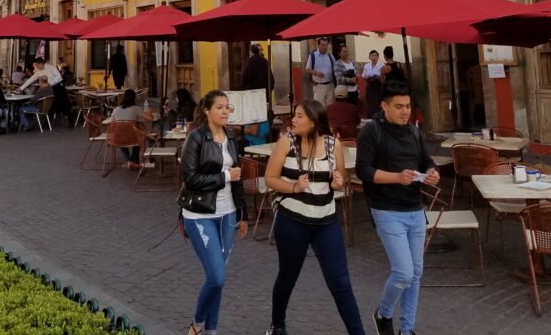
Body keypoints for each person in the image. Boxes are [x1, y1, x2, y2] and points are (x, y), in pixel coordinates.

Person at [262, 100, 364, 335]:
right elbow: (270, 178)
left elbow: (340, 178)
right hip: (292, 221)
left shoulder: (333, 144)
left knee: (341, 283)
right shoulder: (286, 142)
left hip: (326, 222)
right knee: (288, 276)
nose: (293, 120)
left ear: (314, 121)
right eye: (294, 116)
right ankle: (277, 325)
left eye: (299, 116)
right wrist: (294, 188)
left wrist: (339, 182)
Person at [355, 81, 440, 335]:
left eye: (408, 106)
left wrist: (433, 173)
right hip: (387, 209)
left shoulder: (414, 132)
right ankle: (383, 313)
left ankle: (407, 329)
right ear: (384, 106)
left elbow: (427, 161)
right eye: (399, 107)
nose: (405, 112)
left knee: (415, 273)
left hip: (415, 209)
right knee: (403, 272)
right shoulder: (372, 132)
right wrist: (396, 177)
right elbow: (363, 171)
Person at [178, 89, 248, 335]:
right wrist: (225, 176)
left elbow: (238, 178)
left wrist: (243, 214)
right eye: (219, 107)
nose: (225, 111)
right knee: (216, 277)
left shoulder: (231, 137)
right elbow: (190, 177)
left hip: (227, 215)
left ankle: (212, 330)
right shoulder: (196, 138)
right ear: (207, 111)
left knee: (218, 280)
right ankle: (197, 323)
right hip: (199, 214)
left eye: (227, 107)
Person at [109, 88, 155, 167]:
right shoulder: (135, 108)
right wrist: (150, 112)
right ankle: (132, 160)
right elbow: (150, 119)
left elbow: (112, 122)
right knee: (139, 138)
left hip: (117, 138)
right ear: (134, 98)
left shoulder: (116, 109)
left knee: (122, 141)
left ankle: (128, 161)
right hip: (133, 137)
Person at [303, 37, 336, 109]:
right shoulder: (313, 56)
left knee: (330, 106)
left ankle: (328, 120)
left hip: (330, 85)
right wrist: (316, 73)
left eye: (326, 45)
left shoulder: (330, 56)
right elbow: (308, 69)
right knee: (319, 107)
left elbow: (335, 68)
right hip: (319, 86)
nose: (325, 47)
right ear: (318, 45)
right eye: (323, 45)